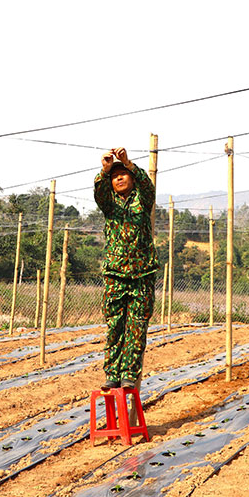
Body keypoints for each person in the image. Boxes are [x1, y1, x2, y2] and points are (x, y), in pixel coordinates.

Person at [94, 147, 159, 390]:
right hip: (115, 276)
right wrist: (105, 169)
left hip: (142, 275)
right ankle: (112, 373)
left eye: (123, 175)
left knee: (136, 327)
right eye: (115, 176)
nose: (119, 178)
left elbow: (148, 187)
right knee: (115, 327)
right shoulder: (109, 206)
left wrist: (127, 163)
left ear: (131, 178)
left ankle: (129, 374)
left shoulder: (142, 201)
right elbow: (99, 192)